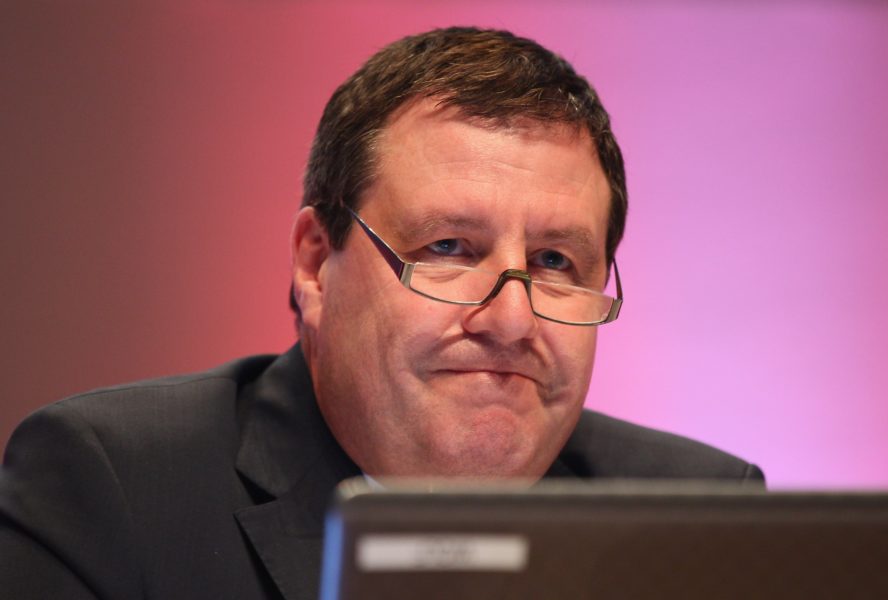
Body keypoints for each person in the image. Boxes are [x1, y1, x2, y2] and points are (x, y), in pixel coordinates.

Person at [0, 27, 762, 600]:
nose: (511, 320)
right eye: (450, 247)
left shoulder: (701, 516)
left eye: (555, 263)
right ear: (313, 264)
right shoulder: (114, 488)